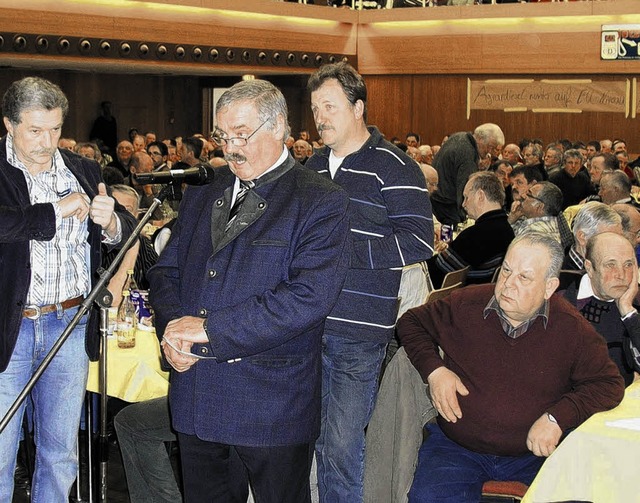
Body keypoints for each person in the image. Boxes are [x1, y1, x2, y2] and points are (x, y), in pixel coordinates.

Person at [147, 78, 351, 503]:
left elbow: (308, 296)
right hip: (197, 394)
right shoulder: (204, 194)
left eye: (242, 134)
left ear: (279, 128)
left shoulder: (320, 200)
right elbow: (166, 272)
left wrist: (209, 330)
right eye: (223, 136)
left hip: (271, 402)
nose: (230, 147)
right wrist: (172, 331)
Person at [398, 233, 625, 503]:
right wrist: (434, 370)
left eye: (524, 277)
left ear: (549, 287)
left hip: (532, 455)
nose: (508, 284)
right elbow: (410, 322)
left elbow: (608, 384)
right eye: (506, 270)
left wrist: (558, 417)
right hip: (457, 447)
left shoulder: (571, 328)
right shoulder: (467, 304)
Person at [0, 76, 135, 501]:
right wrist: (55, 210)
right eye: (35, 130)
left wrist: (111, 222)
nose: (47, 141)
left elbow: (124, 233)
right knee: (1, 450)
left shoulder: (84, 169)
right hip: (11, 327)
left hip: (71, 323)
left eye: (55, 129)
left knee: (60, 453)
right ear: (9, 124)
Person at [306, 62, 434, 502]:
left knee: (342, 446)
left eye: (330, 106)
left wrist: (344, 257)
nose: (320, 117)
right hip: (305, 324)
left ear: (358, 107)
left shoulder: (394, 166)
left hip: (359, 329)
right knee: (310, 441)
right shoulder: (313, 165)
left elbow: (419, 241)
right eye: (315, 108)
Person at [562, 232, 640, 386]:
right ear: (589, 268)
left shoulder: (635, 301)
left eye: (628, 264)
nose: (621, 275)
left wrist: (629, 313)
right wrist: (628, 379)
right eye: (610, 264)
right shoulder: (565, 304)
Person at [427, 171, 514, 288]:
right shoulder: (507, 228)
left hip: (468, 298)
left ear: (480, 196)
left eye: (466, 197)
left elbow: (436, 272)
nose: (463, 204)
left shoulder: (477, 235)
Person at [430, 122, 504, 226]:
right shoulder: (467, 154)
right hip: (447, 208)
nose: (490, 152)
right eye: (490, 147)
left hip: (436, 202)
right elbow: (467, 190)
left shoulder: (459, 137)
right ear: (480, 139)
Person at [563, 201, 622, 271]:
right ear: (582, 237)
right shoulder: (560, 277)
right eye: (608, 240)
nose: (618, 246)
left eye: (621, 238)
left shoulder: (619, 268)